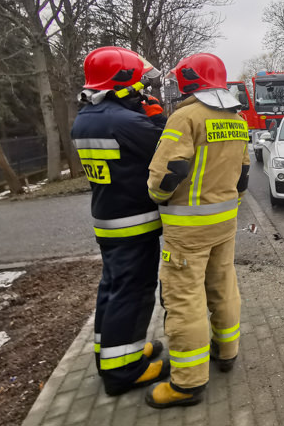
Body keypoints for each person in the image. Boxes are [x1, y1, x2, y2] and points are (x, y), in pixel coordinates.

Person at [145, 53, 250, 409]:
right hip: (225, 222)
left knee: (185, 300)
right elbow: (244, 175)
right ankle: (227, 351)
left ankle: (187, 383)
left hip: (189, 229)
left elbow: (166, 172)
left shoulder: (185, 117)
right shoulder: (237, 119)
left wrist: (157, 198)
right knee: (223, 285)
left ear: (189, 80)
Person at [70, 46, 169, 396]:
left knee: (112, 289)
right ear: (123, 81)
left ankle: (110, 352)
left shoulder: (87, 117)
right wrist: (156, 118)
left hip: (108, 218)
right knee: (134, 291)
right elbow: (164, 151)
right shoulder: (125, 121)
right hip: (133, 221)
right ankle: (124, 370)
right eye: (139, 83)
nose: (143, 89)